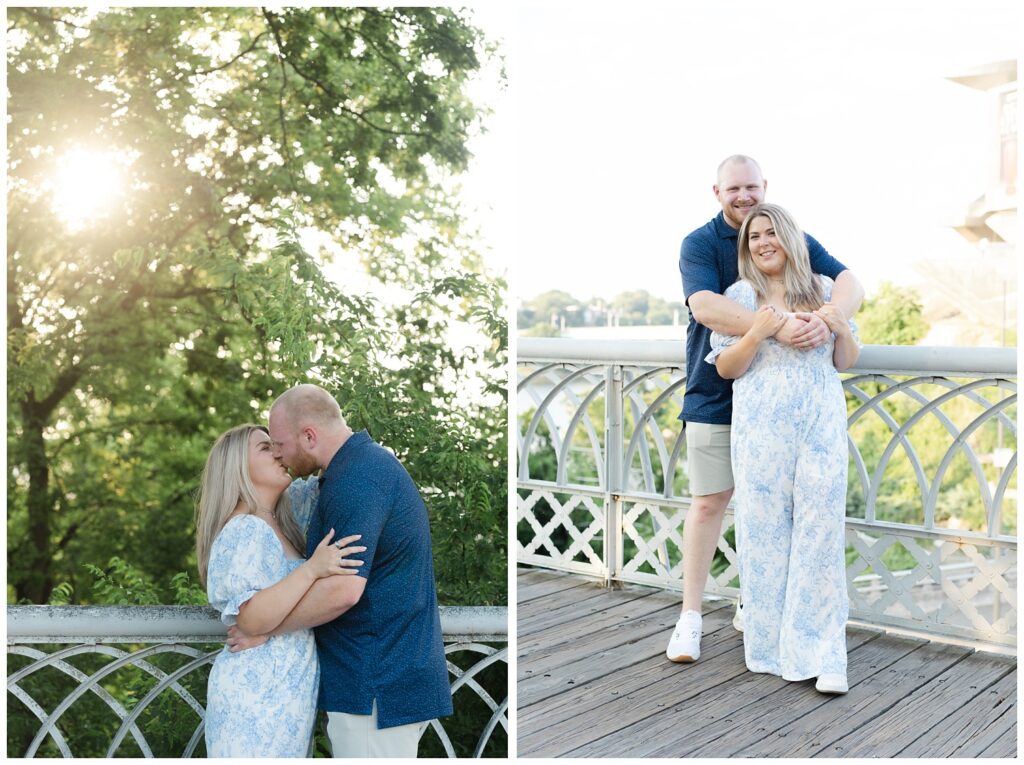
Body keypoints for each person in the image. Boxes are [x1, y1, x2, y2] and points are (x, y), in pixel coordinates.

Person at [667, 155, 863, 664]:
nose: (744, 196)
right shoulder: (701, 243)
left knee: (783, 511)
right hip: (717, 390)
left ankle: (763, 610)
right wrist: (774, 325)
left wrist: (830, 319)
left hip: (791, 405)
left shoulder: (782, 228)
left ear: (764, 187)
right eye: (734, 188)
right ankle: (690, 618)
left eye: (751, 186)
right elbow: (705, 307)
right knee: (711, 502)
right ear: (718, 192)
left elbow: (848, 283)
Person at [228, 384, 453, 758]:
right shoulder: (354, 470)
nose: (278, 452)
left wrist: (264, 629)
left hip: (376, 685)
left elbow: (344, 590)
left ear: (310, 436)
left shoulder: (357, 481)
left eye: (280, 443)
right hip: (376, 681)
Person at [707, 202, 859, 694]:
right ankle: (770, 647)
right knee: (764, 535)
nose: (764, 242)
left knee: (820, 531)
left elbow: (846, 360)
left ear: (789, 236)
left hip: (820, 428)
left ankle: (823, 653)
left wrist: (834, 326)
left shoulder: (822, 290)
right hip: (760, 434)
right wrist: (759, 328)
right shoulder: (738, 296)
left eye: (772, 233)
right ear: (746, 248)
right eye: (754, 237)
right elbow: (727, 368)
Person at [196, 424, 365, 757]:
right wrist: (312, 569)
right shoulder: (243, 530)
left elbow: (335, 463)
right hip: (254, 698)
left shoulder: (287, 516)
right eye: (264, 448)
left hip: (288, 693)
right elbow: (251, 619)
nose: (278, 451)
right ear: (237, 467)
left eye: (276, 445)